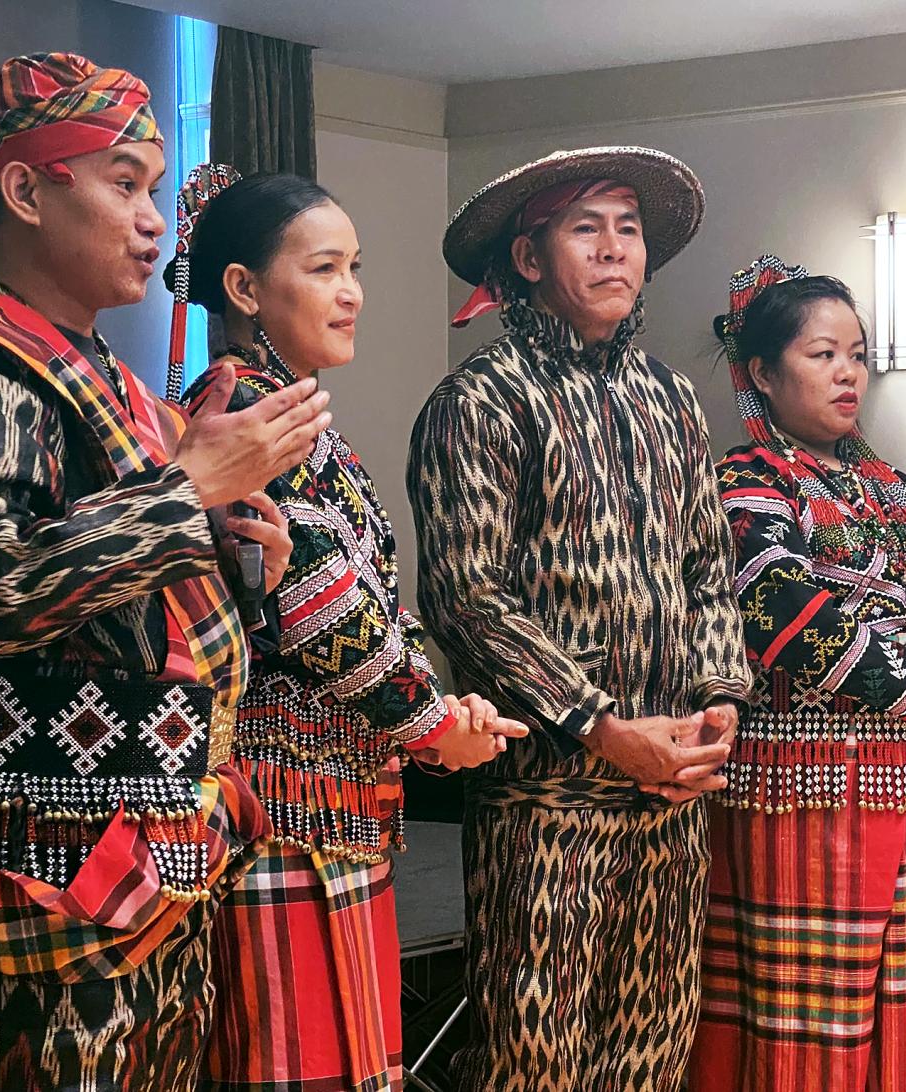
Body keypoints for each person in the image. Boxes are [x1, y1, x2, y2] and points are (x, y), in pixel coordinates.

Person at [0, 54, 331, 1091]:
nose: (153, 220)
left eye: (154, 188)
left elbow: (131, 608)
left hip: (145, 851)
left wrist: (237, 545)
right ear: (26, 190)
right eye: (122, 183)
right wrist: (186, 492)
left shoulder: (101, 373)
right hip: (43, 861)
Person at [166, 164, 529, 1091]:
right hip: (275, 802)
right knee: (290, 1059)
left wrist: (440, 710)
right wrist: (435, 724)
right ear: (244, 289)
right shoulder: (245, 411)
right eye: (326, 268)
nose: (352, 292)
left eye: (355, 267)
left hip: (325, 801)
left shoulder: (283, 412)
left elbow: (359, 595)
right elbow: (320, 603)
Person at [407, 146, 752, 1091]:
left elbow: (706, 569)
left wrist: (720, 698)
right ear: (529, 259)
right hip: (544, 798)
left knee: (653, 1055)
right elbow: (468, 600)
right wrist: (600, 726)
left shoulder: (672, 398)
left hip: (671, 791)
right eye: (585, 228)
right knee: (537, 1057)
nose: (613, 252)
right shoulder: (477, 402)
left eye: (628, 229)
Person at [688, 256, 906, 1091]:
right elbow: (775, 604)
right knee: (813, 1025)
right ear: (761, 370)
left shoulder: (892, 487)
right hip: (808, 792)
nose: (847, 374)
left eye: (857, 355)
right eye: (821, 354)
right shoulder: (744, 482)